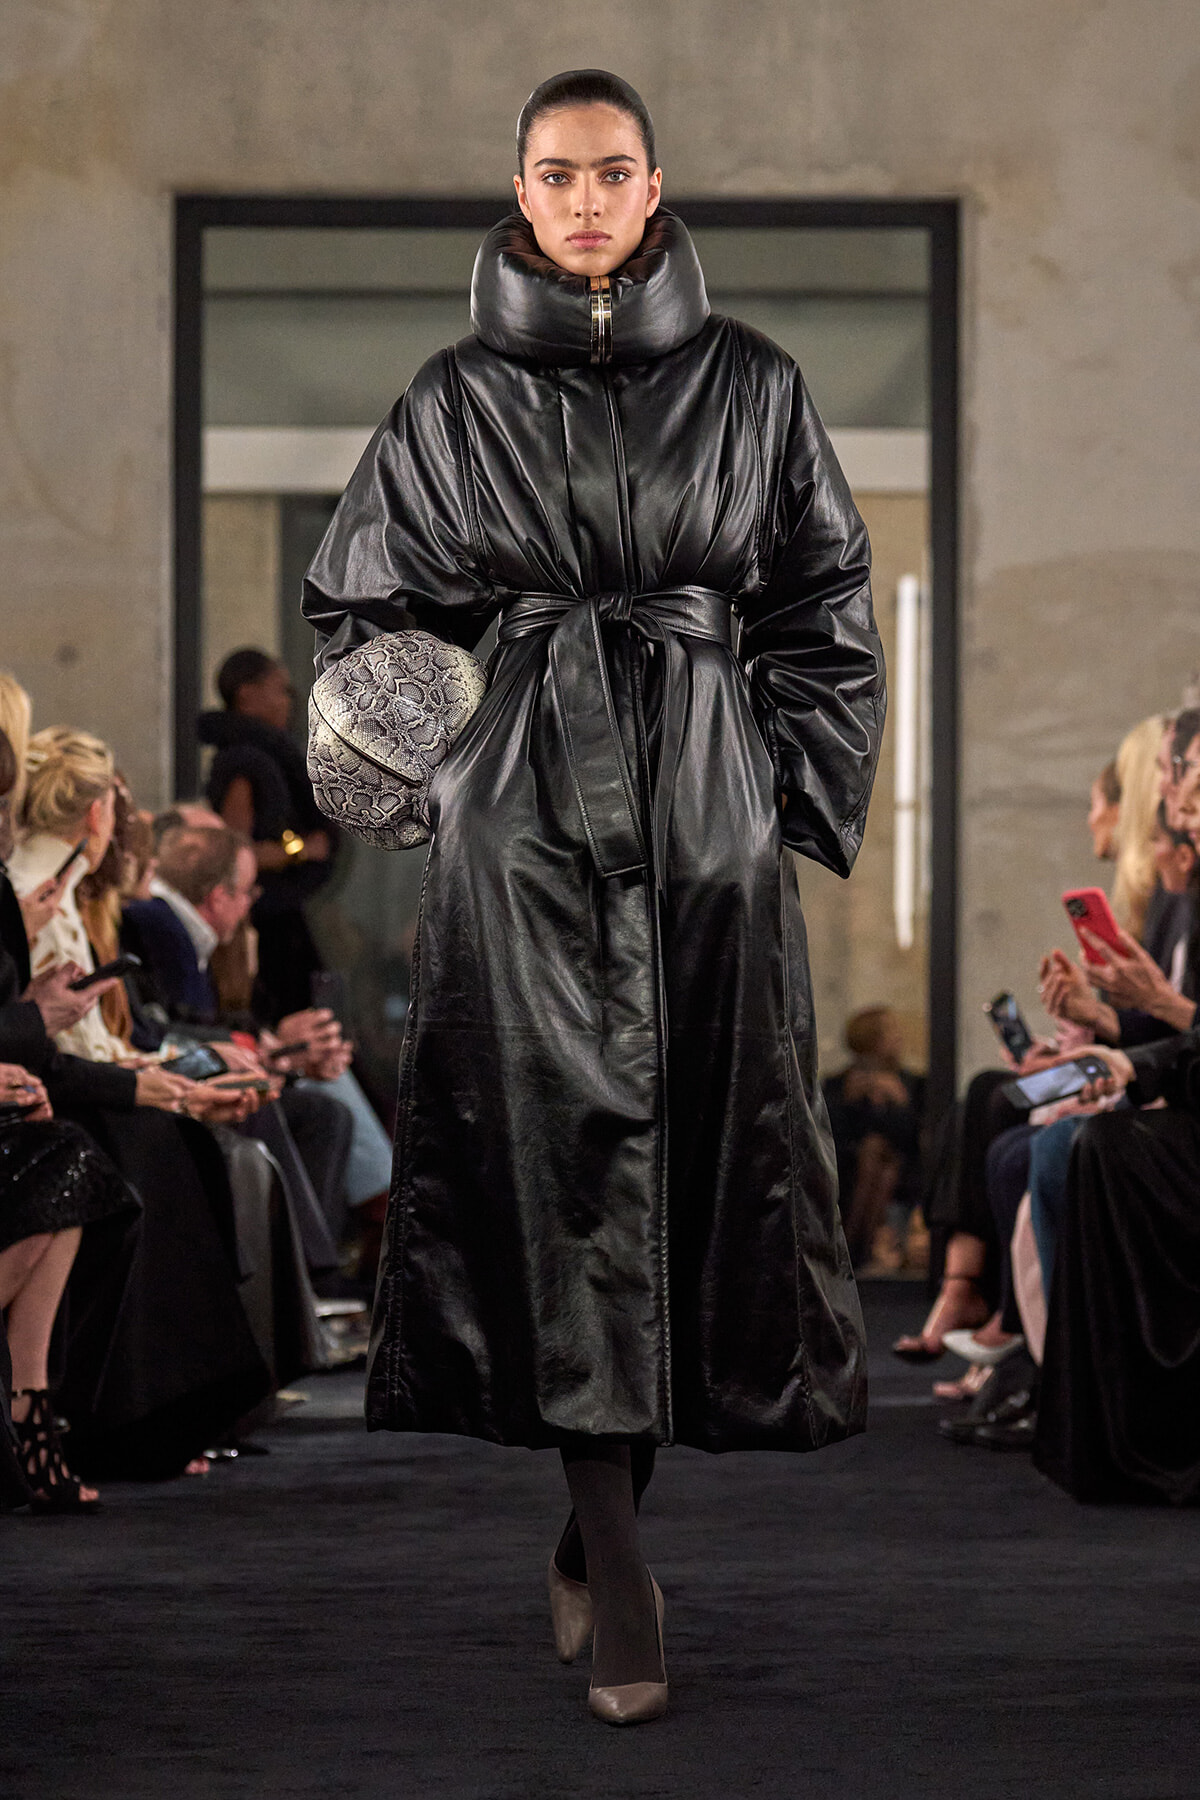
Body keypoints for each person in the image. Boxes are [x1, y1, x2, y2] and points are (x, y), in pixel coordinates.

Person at [302, 70, 885, 1723]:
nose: (580, 198)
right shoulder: (449, 400)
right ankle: (614, 1554)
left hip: (707, 820)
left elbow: (827, 600)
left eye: (609, 171)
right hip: (525, 819)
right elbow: (359, 614)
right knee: (555, 1177)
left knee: (698, 1171)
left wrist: (773, 799)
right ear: (517, 187)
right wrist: (439, 790)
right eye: (552, 173)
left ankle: (612, 1497)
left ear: (652, 187)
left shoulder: (755, 385)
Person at [200, 648, 336, 1020]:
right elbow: (234, 854)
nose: (287, 701)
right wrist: (300, 849)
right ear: (247, 693)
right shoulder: (244, 762)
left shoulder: (265, 757)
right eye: (279, 690)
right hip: (264, 920)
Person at [822, 1006, 925, 1271]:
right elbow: (831, 1137)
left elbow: (915, 1139)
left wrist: (899, 1103)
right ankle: (858, 1250)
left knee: (879, 1156)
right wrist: (851, 1102)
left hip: (901, 1174)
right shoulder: (838, 1085)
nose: (899, 1036)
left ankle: (854, 1249)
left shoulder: (914, 1084)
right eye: (890, 1030)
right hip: (849, 1176)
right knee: (871, 1152)